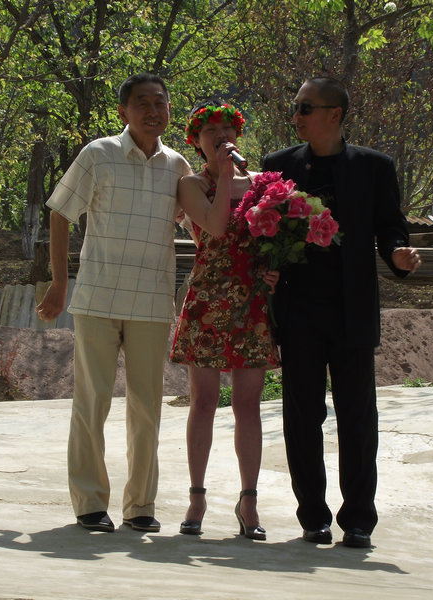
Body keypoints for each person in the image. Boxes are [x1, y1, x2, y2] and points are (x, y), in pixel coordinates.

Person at [262, 77, 420, 548]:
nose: (297, 116)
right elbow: (263, 232)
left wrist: (398, 254)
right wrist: (266, 267)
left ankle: (358, 520)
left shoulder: (374, 167)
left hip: (352, 310)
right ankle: (313, 516)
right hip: (298, 311)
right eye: (295, 106)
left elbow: (390, 227)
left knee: (358, 419)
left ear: (335, 114)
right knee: (301, 418)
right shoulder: (279, 166)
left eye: (305, 107)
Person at [36, 73, 191, 534]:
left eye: (160, 102)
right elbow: (60, 211)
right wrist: (60, 281)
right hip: (98, 299)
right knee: (92, 402)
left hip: (151, 303)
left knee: (147, 409)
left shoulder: (177, 166)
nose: (153, 111)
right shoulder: (99, 154)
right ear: (123, 111)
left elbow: (200, 221)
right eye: (142, 103)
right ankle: (89, 502)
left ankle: (141, 505)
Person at [170, 102, 280, 540]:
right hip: (208, 300)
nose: (221, 135)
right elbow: (216, 227)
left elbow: (277, 240)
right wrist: (226, 175)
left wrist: (275, 269)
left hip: (251, 302)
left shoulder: (262, 185)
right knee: (203, 402)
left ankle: (248, 501)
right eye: (210, 130)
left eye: (228, 129)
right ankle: (197, 497)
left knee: (248, 405)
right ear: (196, 142)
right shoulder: (191, 185)